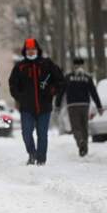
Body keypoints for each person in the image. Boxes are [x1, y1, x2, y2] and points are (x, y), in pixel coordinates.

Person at [9, 38, 64, 166]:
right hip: (27, 108)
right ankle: (32, 153)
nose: (31, 52)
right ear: (25, 51)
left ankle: (41, 159)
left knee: (42, 135)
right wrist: (20, 97)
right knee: (26, 133)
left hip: (44, 107)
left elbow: (60, 81)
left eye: (33, 49)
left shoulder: (47, 64)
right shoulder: (20, 66)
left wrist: (51, 90)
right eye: (28, 50)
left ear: (37, 50)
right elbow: (12, 85)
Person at [54, 57, 103, 157]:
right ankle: (84, 148)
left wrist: (57, 105)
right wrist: (99, 106)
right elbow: (93, 92)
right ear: (82, 66)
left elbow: (61, 92)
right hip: (85, 105)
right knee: (84, 126)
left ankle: (80, 142)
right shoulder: (87, 77)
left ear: (74, 66)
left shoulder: (68, 77)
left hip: (72, 106)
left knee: (76, 127)